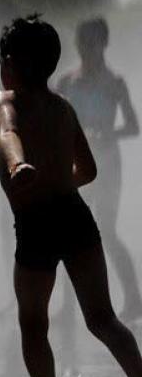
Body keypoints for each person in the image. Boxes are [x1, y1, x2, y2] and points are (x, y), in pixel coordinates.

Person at [0, 15, 142, 377]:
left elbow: (8, 134)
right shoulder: (64, 108)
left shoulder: (5, 101)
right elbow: (89, 170)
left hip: (37, 222)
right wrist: (59, 181)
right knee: (103, 318)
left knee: (33, 323)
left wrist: (20, 167)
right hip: (74, 217)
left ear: (10, 64)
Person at [55, 18, 142, 320]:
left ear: (103, 44)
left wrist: (108, 133)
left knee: (107, 231)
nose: (86, 50)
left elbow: (133, 126)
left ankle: (134, 299)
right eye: (82, 43)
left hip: (107, 164)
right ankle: (68, 307)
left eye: (91, 43)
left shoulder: (114, 83)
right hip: (76, 163)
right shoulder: (67, 81)